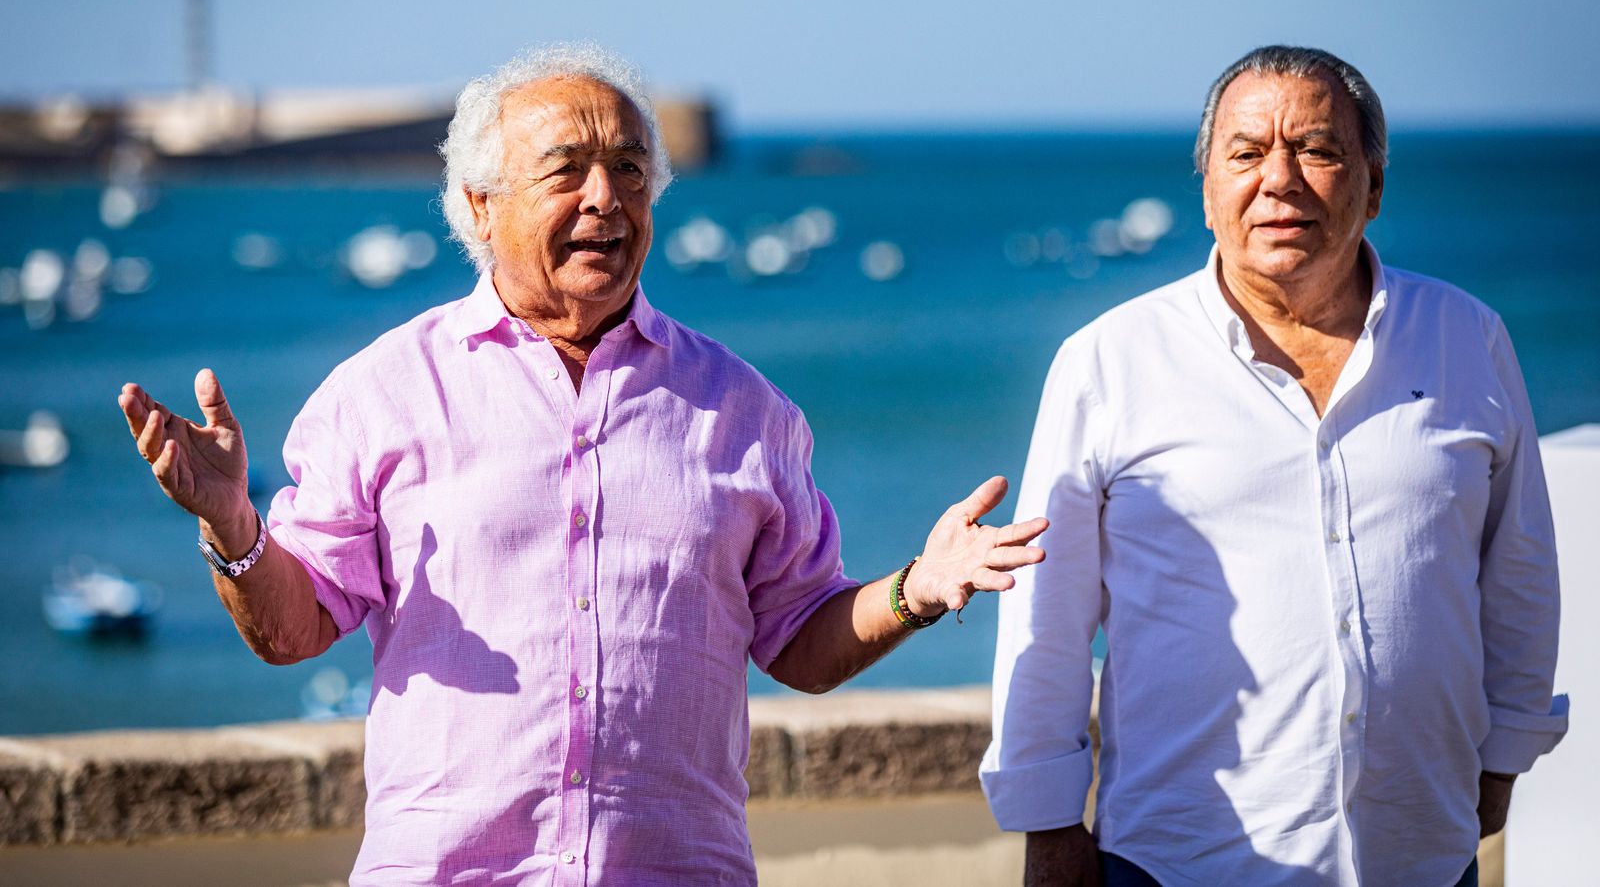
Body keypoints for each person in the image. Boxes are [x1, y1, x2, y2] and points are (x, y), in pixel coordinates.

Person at [119, 43, 1047, 886]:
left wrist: (918, 589)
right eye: (567, 171)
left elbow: (801, 640)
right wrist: (232, 525)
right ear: (480, 207)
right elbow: (291, 630)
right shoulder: (382, 394)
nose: (606, 198)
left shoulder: (748, 412)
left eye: (631, 171)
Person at [981, 45, 1567, 886]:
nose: (1280, 180)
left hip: (1421, 857)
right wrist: (1048, 828)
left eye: (1317, 150)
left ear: (1374, 185)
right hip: (1180, 862)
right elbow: (1047, 616)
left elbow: (1520, 571)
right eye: (1247, 153)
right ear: (1208, 193)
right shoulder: (1108, 361)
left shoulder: (1466, 337)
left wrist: (1504, 760)